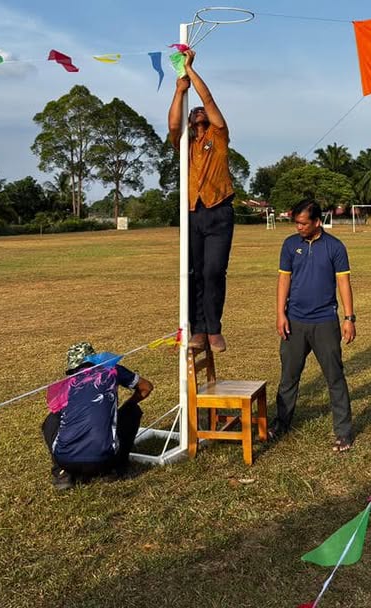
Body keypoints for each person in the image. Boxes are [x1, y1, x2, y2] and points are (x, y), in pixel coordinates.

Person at [270, 199, 356, 452]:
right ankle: (281, 423)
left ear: (317, 222)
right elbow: (283, 280)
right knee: (288, 377)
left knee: (335, 378)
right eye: (296, 222)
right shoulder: (289, 245)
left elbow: (344, 284)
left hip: (324, 323)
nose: (298, 227)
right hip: (294, 321)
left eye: (303, 223)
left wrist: (349, 318)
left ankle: (343, 432)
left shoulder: (335, 247)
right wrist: (280, 314)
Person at [168, 48, 235, 353]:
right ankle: (198, 329)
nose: (198, 111)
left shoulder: (218, 136)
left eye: (200, 112)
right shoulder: (184, 143)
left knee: (213, 271)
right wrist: (179, 89)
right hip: (192, 213)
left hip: (218, 211)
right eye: (193, 112)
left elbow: (208, 101)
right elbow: (172, 124)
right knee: (193, 271)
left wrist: (190, 70)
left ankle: (214, 328)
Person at [42, 342, 154, 489]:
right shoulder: (113, 370)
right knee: (133, 411)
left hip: (66, 460)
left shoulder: (66, 384)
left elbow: (57, 414)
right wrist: (126, 406)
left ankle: (62, 473)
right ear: (95, 359)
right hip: (105, 460)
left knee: (51, 419)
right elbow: (146, 387)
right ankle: (117, 468)